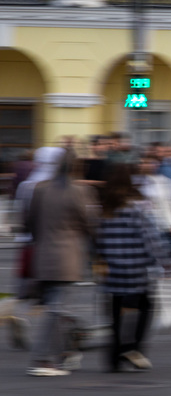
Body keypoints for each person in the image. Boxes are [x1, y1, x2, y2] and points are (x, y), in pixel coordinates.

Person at [24, 149, 98, 376]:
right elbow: (90, 224)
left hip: (42, 254)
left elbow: (29, 223)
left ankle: (65, 353)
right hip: (68, 257)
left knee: (57, 307)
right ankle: (43, 358)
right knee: (57, 310)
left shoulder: (40, 189)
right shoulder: (81, 191)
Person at [96, 164, 171, 372]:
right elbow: (150, 239)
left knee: (115, 312)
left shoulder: (103, 211)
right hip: (136, 269)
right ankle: (134, 347)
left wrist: (99, 259)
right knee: (145, 306)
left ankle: (114, 355)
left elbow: (96, 240)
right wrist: (164, 261)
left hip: (112, 271)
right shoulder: (136, 209)